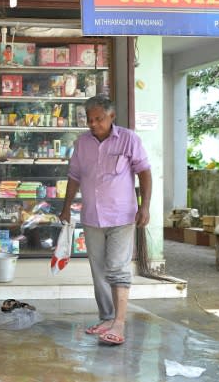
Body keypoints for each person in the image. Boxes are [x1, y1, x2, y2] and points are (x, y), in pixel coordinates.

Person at [59, 95, 151, 346]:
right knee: (98, 270)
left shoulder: (129, 139)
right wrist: (66, 207)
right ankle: (107, 318)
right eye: (89, 120)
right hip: (92, 216)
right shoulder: (82, 143)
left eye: (98, 119)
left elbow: (144, 172)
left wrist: (145, 206)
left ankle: (119, 324)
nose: (93, 124)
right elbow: (74, 176)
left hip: (121, 215)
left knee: (117, 267)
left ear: (112, 117)